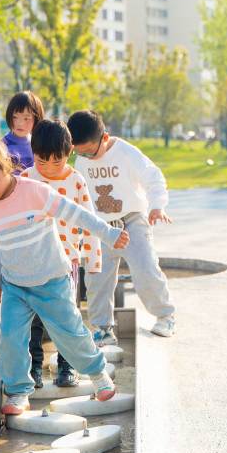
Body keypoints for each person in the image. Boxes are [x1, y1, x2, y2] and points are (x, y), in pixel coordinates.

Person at [0, 137, 129, 415]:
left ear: (7, 167)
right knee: (11, 339)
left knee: (70, 333)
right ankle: (18, 392)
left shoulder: (35, 192)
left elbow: (78, 214)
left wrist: (109, 234)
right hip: (15, 286)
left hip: (52, 280)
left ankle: (99, 376)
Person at [67, 110, 175, 342]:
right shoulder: (82, 156)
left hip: (131, 220)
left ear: (104, 138)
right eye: (79, 152)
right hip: (100, 226)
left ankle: (165, 316)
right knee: (97, 278)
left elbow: (153, 177)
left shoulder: (126, 153)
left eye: (89, 151)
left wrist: (157, 206)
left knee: (146, 269)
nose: (86, 156)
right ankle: (102, 327)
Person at [20, 119, 102, 388]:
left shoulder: (76, 181)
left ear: (70, 154)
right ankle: (33, 367)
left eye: (57, 162)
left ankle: (67, 367)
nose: (49, 168)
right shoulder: (26, 179)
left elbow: (89, 220)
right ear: (33, 154)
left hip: (67, 262)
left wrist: (93, 259)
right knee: (33, 319)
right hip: (33, 262)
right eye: (42, 161)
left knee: (68, 318)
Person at [2, 91, 45, 173]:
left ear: (36, 119)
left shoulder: (37, 144)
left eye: (26, 118)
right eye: (15, 117)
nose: (20, 123)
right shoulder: (3, 145)